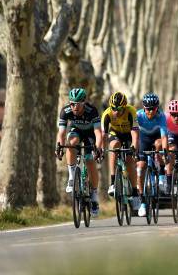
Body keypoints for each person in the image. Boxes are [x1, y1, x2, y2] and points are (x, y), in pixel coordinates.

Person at [55, 88, 103, 217]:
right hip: (76, 130)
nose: (74, 107)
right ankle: (72, 177)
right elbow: (61, 133)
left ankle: (94, 194)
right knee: (71, 143)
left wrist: (97, 148)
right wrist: (59, 147)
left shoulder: (92, 111)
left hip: (90, 134)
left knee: (89, 160)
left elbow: (98, 133)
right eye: (72, 103)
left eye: (77, 104)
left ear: (84, 102)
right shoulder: (65, 111)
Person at [101, 91, 141, 210]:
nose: (116, 112)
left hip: (129, 135)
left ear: (124, 107)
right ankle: (113, 183)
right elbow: (103, 135)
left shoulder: (131, 111)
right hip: (115, 134)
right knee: (114, 146)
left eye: (119, 109)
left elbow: (134, 132)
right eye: (114, 108)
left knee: (130, 162)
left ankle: (134, 193)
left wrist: (134, 146)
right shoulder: (107, 114)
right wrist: (102, 149)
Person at [135, 92, 169, 217]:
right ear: (144, 108)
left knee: (159, 145)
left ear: (157, 108)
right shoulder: (138, 115)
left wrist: (165, 152)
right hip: (143, 140)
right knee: (140, 168)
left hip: (157, 138)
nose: (150, 111)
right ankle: (143, 203)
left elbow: (164, 136)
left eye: (153, 109)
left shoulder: (161, 116)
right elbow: (133, 133)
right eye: (148, 109)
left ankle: (161, 175)